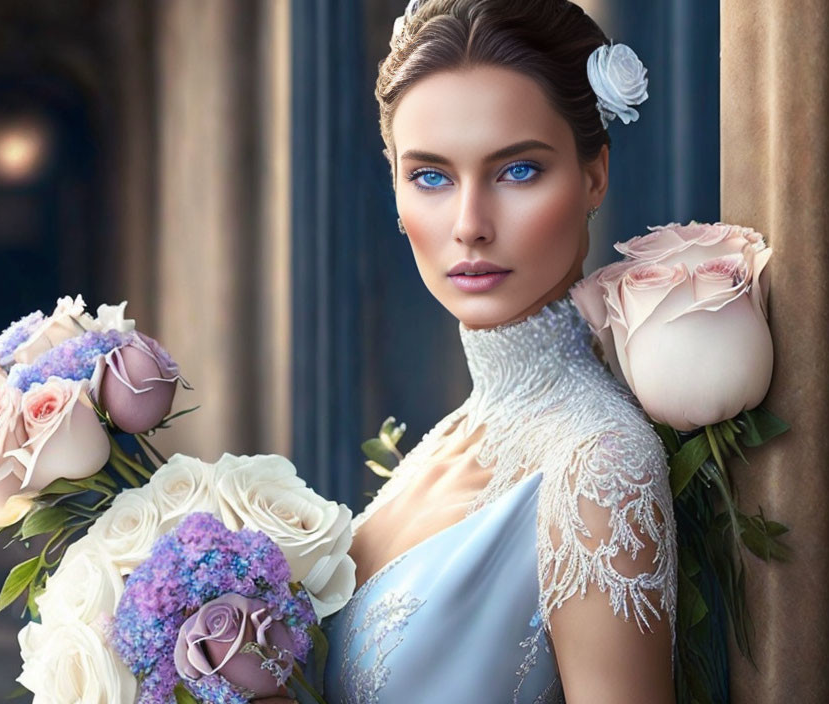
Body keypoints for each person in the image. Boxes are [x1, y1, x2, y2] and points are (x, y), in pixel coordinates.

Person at [287, 1, 678, 703]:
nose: (469, 226)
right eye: (431, 176)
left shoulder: (602, 466)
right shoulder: (451, 435)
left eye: (518, 171)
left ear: (594, 176)